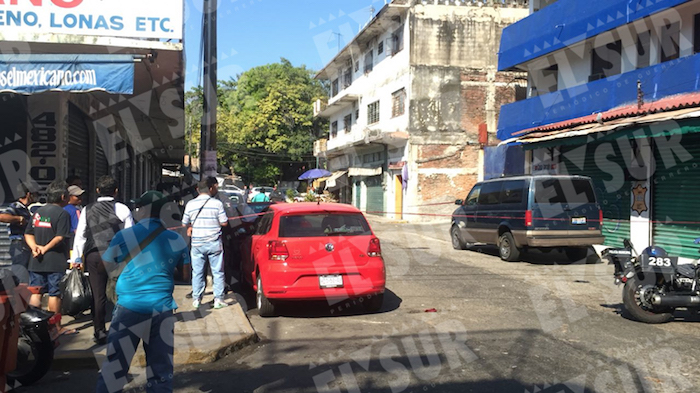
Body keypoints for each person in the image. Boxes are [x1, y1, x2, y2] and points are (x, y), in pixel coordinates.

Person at [95, 191, 190, 393]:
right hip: (161, 309)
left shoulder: (124, 236)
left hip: (129, 308)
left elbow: (106, 265)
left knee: (115, 368)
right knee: (161, 371)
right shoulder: (177, 239)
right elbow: (185, 275)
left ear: (143, 210)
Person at [72, 175, 133, 345]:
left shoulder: (87, 209)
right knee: (121, 292)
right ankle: (121, 327)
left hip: (94, 256)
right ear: (116, 191)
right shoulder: (122, 209)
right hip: (117, 255)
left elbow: (80, 236)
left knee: (98, 295)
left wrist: (76, 257)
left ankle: (99, 331)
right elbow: (130, 237)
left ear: (97, 190)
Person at [24, 180, 75, 335]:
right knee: (54, 293)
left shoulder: (38, 212)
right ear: (62, 196)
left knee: (36, 291)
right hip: (55, 260)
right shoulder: (62, 214)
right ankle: (56, 328)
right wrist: (45, 248)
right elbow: (60, 237)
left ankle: (33, 326)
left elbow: (28, 233)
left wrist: (35, 248)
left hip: (36, 259)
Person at [182, 176, 229, 309]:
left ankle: (197, 299)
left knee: (197, 272)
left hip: (197, 244)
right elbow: (224, 222)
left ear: (197, 190)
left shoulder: (190, 204)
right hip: (214, 243)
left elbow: (184, 222)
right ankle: (218, 299)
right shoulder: (217, 204)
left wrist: (191, 227)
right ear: (210, 189)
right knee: (218, 272)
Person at [0, 182, 37, 283]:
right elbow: (2, 217)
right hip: (19, 245)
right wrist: (18, 218)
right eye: (35, 194)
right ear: (29, 194)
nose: (36, 197)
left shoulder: (26, 209)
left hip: (25, 245)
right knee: (20, 275)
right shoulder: (16, 206)